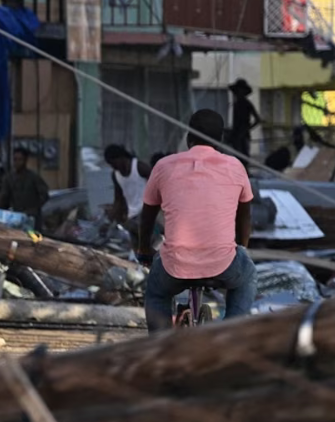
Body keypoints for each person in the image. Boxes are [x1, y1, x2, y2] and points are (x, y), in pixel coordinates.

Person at [136, 109, 255, 332]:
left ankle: (158, 348)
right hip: (223, 263)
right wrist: (242, 248)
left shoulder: (163, 165)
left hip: (175, 266)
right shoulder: (235, 166)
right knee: (247, 278)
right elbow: (245, 214)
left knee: (156, 292)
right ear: (219, 140)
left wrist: (144, 250)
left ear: (189, 137)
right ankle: (231, 335)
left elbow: (148, 215)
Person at [0, 147, 50, 223]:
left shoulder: (33, 177)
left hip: (32, 217)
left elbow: (44, 195)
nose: (17, 162)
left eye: (20, 159)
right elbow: (4, 198)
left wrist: (34, 209)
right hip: (15, 216)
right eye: (15, 159)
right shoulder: (9, 178)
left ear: (25, 160)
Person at [104, 144, 148, 223]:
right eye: (111, 165)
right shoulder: (115, 175)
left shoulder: (139, 167)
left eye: (114, 163)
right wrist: (109, 220)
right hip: (132, 216)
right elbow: (118, 200)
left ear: (121, 157)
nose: (113, 167)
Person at [226, 79, 260, 158]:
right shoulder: (236, 104)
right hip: (236, 136)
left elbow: (257, 119)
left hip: (243, 137)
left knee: (243, 159)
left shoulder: (246, 104)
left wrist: (245, 130)